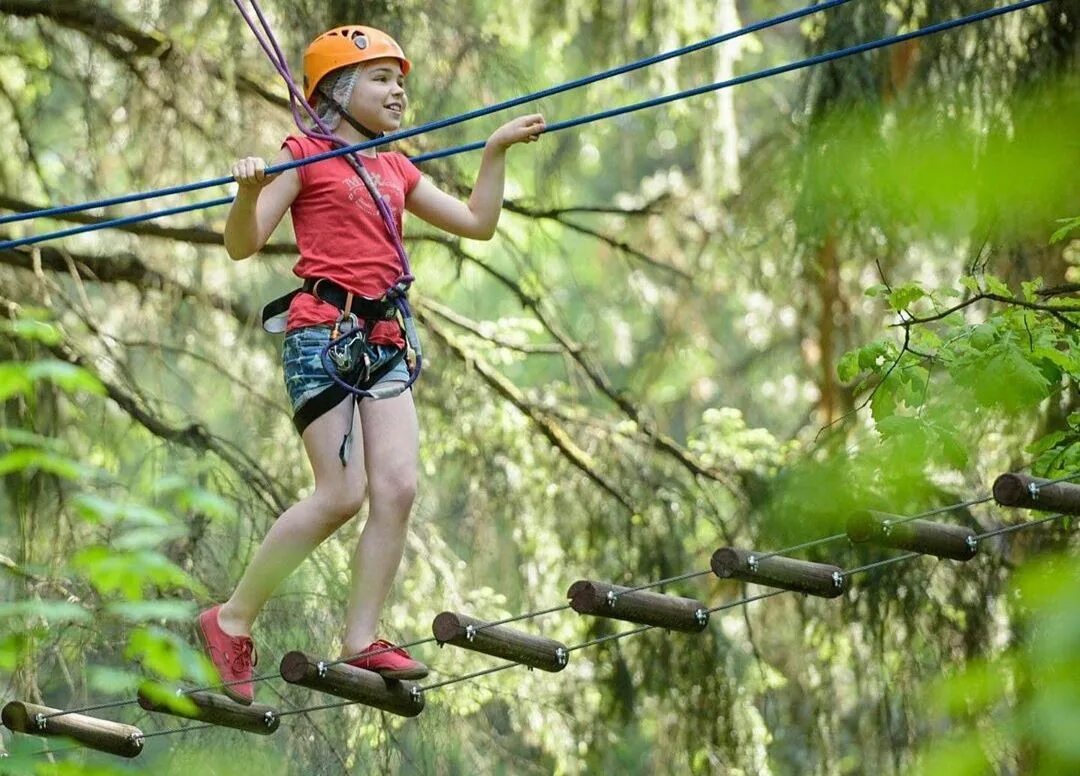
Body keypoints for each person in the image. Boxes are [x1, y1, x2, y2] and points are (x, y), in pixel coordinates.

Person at [197, 24, 545, 705]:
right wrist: (246, 190)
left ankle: (361, 638)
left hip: (383, 338)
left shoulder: (393, 163)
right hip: (322, 334)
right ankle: (231, 618)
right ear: (338, 90)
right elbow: (243, 244)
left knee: (398, 488)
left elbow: (477, 221)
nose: (398, 90)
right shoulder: (301, 156)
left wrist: (495, 149)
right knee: (340, 494)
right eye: (382, 78)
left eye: (400, 79)